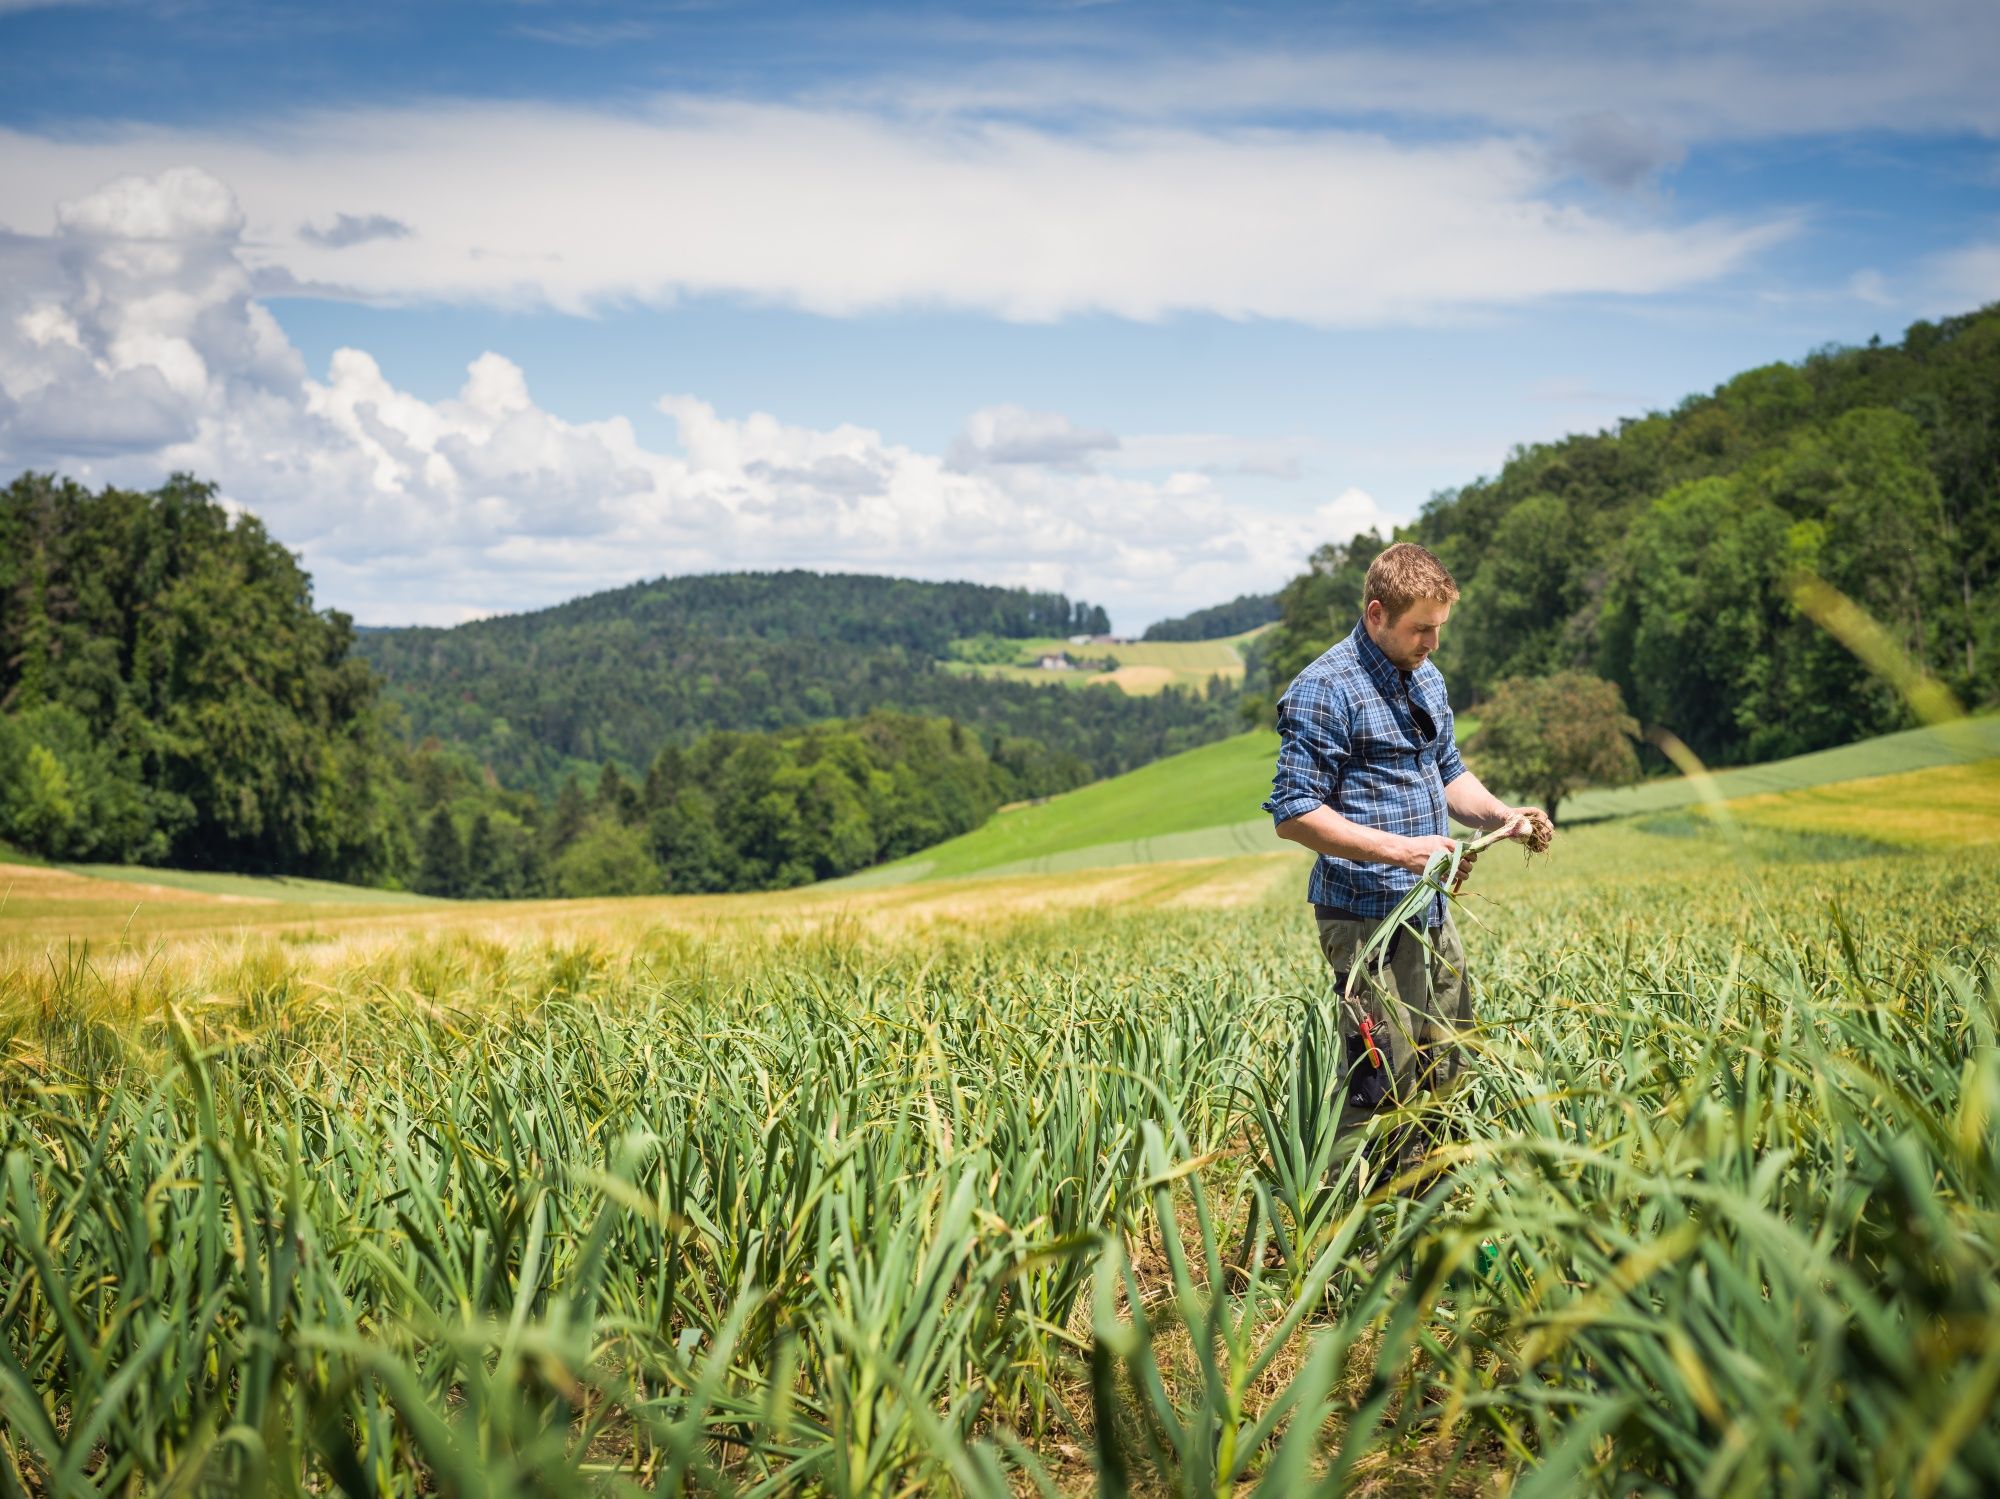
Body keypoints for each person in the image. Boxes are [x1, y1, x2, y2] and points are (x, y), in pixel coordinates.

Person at [1263, 541, 1549, 1187]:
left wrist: (1503, 816)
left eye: (1439, 628)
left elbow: (1448, 773)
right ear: (1375, 615)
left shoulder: (1425, 676)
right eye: (1421, 628)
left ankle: (1427, 1214)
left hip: (1432, 910)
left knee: (1444, 1066)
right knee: (1378, 1084)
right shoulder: (1323, 689)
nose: (1433, 643)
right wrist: (1406, 849)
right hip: (1365, 920)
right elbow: (1292, 812)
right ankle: (1343, 1233)